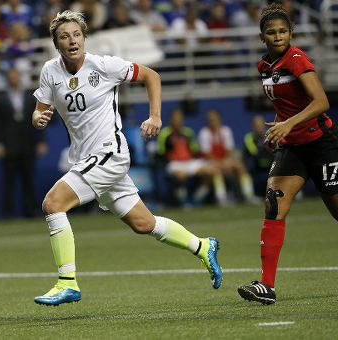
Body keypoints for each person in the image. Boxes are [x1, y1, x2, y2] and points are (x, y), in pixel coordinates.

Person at [31, 10, 222, 306]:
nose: (72, 41)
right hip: (85, 159)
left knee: (53, 204)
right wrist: (38, 119)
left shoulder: (104, 66)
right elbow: (38, 110)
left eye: (77, 35)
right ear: (56, 43)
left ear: (84, 37)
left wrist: (155, 116)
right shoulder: (50, 71)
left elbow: (151, 76)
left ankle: (66, 282)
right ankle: (202, 246)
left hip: (109, 153)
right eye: (64, 36)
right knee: (144, 224)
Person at [237, 3, 338, 305]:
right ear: (262, 36)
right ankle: (267, 285)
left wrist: (287, 124)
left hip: (322, 143)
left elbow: (321, 102)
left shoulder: (297, 59)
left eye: (283, 31)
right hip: (293, 147)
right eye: (271, 32)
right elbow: (288, 107)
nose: (278, 36)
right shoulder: (264, 67)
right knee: (273, 203)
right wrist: (278, 129)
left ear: (291, 33)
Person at [0, 67, 47, 218]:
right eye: (11, 76)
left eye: (16, 76)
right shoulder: (1, 100)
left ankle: (30, 211)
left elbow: (38, 119)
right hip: (9, 146)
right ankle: (8, 213)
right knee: (8, 182)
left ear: (20, 77)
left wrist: (41, 141)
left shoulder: (30, 98)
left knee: (28, 181)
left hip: (27, 144)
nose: (13, 79)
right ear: (7, 79)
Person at [156, 107, 228, 206]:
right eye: (176, 119)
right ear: (171, 120)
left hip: (190, 162)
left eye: (180, 119)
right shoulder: (164, 134)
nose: (178, 121)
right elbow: (160, 153)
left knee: (213, 171)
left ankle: (201, 199)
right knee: (181, 175)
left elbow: (195, 151)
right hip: (174, 164)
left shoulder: (188, 133)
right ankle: (183, 202)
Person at [198, 109, 255, 203]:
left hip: (224, 160)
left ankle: (249, 195)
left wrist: (225, 162)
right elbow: (207, 154)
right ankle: (222, 198)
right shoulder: (204, 133)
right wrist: (221, 164)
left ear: (219, 119)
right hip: (210, 162)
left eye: (214, 119)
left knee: (240, 166)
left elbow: (229, 151)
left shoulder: (226, 131)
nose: (212, 121)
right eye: (210, 119)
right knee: (216, 171)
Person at [243, 114, 274, 198]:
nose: (259, 128)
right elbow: (255, 154)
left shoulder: (270, 136)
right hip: (256, 168)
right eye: (256, 126)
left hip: (272, 167)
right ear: (252, 126)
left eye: (260, 125)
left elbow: (274, 153)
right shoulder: (248, 138)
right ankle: (250, 196)